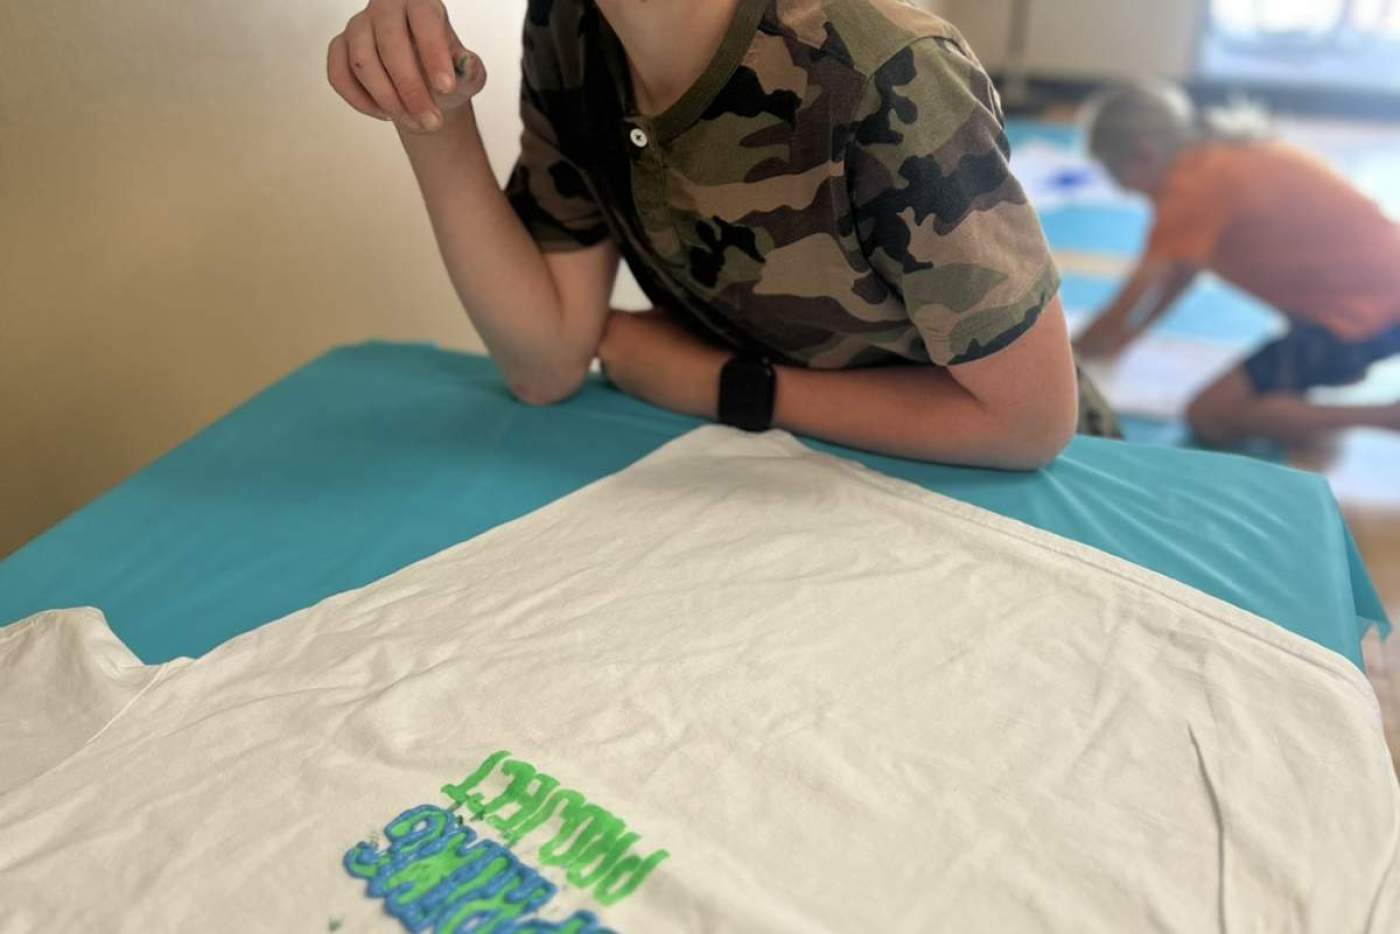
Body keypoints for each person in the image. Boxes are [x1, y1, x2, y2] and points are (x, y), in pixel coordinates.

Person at [327, 0, 1119, 470]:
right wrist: (429, 115)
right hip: (792, 473)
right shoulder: (569, 27)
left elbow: (1031, 424)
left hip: (1020, 475)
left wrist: (726, 386)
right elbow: (544, 363)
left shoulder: (883, 71)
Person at [1078, 81, 1400, 447]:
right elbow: (1181, 273)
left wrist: (1070, 356)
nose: (1124, 191)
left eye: (1117, 176)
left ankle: (1388, 416)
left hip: (1369, 315)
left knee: (1209, 415)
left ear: (1144, 155)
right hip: (1382, 285)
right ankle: (1334, 372)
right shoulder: (1217, 155)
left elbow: (1130, 298)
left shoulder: (1190, 188)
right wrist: (1127, 338)